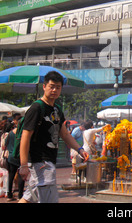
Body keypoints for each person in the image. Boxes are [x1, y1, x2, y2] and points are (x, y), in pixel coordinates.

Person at [18, 71, 89, 203]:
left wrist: (80, 149)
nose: (54, 90)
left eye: (58, 87)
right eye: (51, 86)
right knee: (48, 198)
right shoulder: (36, 108)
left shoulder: (57, 109)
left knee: (29, 197)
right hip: (40, 160)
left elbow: (64, 134)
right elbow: (25, 136)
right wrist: (23, 165)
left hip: (49, 159)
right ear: (44, 86)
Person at [6, 113, 25, 201]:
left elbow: (5, 144)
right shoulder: (23, 133)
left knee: (11, 175)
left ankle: (9, 194)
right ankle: (20, 195)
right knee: (21, 176)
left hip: (10, 156)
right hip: (20, 156)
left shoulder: (11, 133)